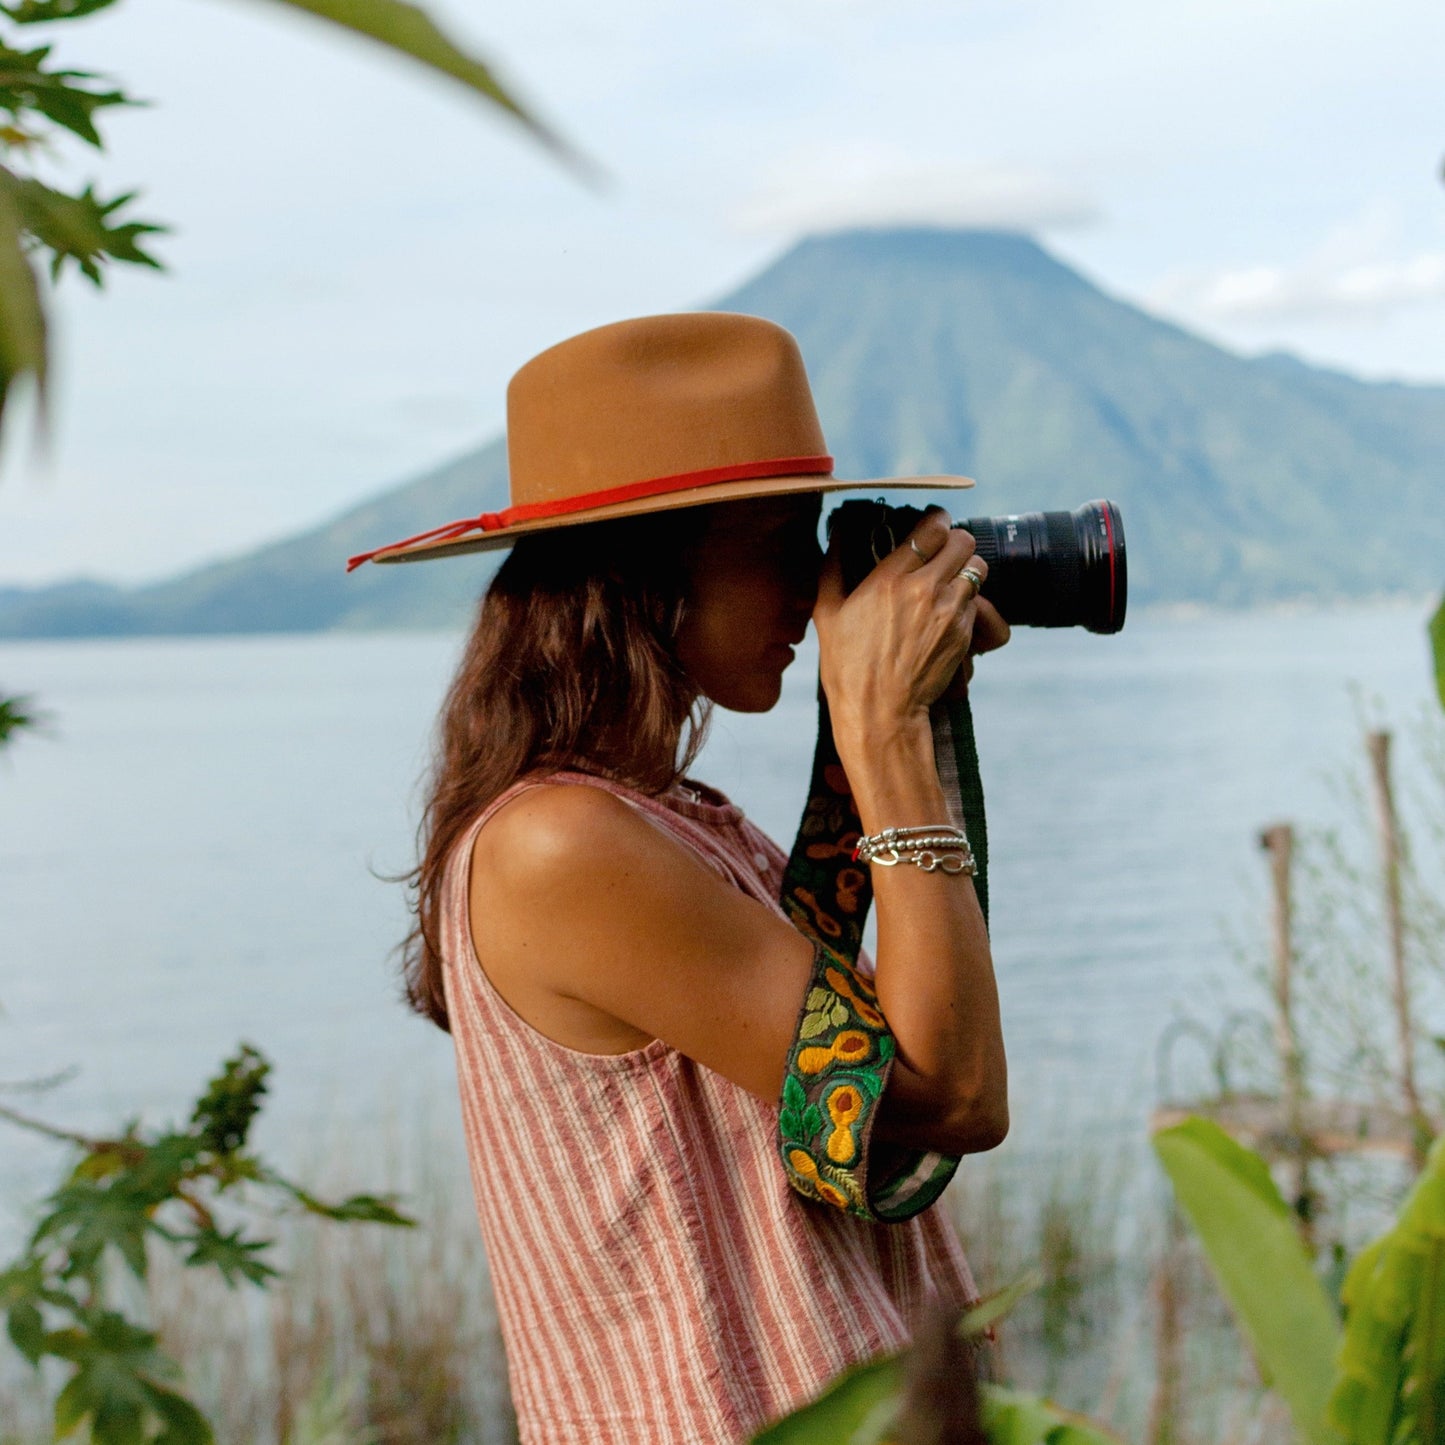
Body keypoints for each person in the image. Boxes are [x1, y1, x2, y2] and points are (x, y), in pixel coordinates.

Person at [349, 312, 1011, 1444]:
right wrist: (883, 730)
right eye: (778, 543)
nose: (815, 590)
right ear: (646, 568)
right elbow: (945, 1097)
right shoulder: (558, 847)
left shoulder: (659, 819)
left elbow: (848, 1069)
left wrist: (890, 721)